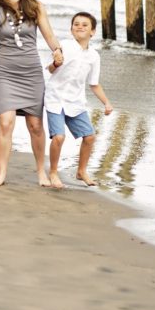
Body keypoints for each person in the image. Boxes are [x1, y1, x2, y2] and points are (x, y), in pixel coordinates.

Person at [0, 0, 64, 187]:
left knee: (35, 125)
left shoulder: (35, 6)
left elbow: (49, 35)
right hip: (5, 72)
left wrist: (57, 50)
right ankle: (2, 173)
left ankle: (41, 173)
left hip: (31, 73)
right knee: (6, 123)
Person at [45, 12, 114, 188]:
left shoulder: (94, 56)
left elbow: (94, 84)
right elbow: (50, 69)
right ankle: (53, 172)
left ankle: (81, 171)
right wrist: (56, 63)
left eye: (85, 25)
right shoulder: (64, 45)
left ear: (93, 32)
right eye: (76, 24)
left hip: (75, 101)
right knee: (59, 137)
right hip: (55, 98)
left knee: (89, 137)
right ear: (71, 29)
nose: (80, 27)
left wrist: (106, 102)